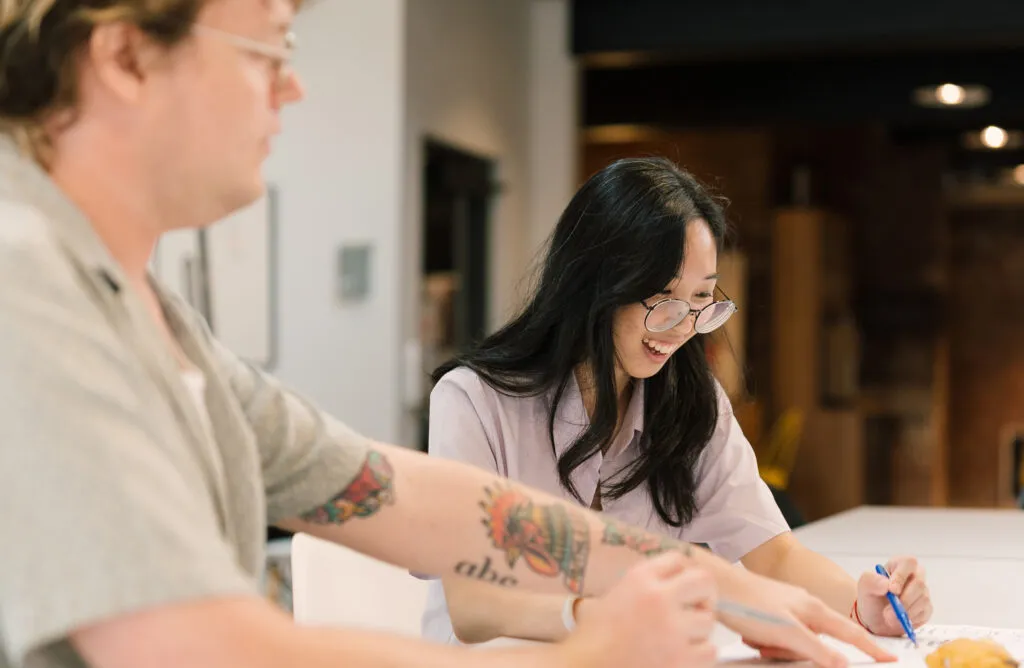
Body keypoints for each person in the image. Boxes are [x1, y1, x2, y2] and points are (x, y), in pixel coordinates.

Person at [0, 1, 894, 667]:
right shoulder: (27, 282)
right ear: (123, 54)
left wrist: (702, 578)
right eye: (269, 47)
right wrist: (594, 650)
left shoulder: (159, 323)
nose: (294, 85)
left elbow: (392, 493)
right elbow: (193, 642)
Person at [422, 157, 934, 652]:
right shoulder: (475, 401)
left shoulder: (691, 403)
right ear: (596, 283)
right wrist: (598, 615)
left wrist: (864, 609)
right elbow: (472, 606)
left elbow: (773, 555)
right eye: (663, 298)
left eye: (700, 299)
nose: (684, 326)